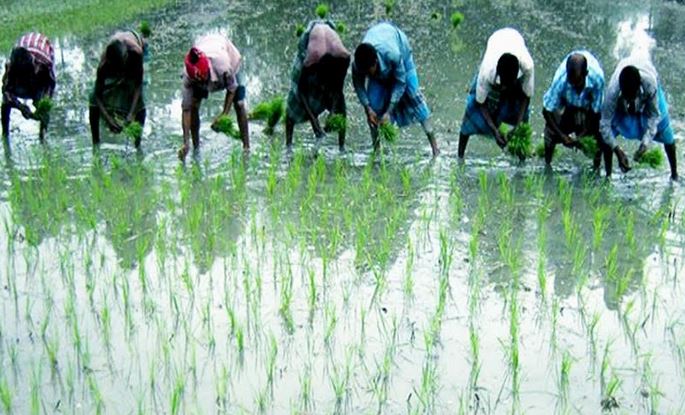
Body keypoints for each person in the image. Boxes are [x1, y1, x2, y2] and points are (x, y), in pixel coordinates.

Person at [352, 22, 439, 156]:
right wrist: (367, 108)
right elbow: (359, 86)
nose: (368, 76)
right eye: (365, 74)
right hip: (379, 44)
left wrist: (388, 111)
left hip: (402, 54)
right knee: (373, 107)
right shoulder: (358, 65)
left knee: (415, 97)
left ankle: (435, 148)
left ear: (375, 62)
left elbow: (400, 83)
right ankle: (376, 150)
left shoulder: (393, 54)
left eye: (369, 72)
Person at [458, 28, 534, 158]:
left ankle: (521, 159)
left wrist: (517, 125)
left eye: (510, 83)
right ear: (499, 74)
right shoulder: (487, 71)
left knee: (522, 125)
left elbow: (526, 97)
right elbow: (480, 102)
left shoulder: (527, 67)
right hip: (496, 41)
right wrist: (494, 130)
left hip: (515, 39)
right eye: (504, 83)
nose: (506, 87)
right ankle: (460, 156)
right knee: (471, 112)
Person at [600, 56, 678, 180]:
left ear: (638, 88)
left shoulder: (650, 85)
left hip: (647, 89)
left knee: (666, 132)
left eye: (632, 96)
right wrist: (617, 150)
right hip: (621, 97)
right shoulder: (613, 92)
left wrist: (644, 145)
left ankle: (674, 174)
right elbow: (604, 124)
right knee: (606, 138)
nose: (630, 100)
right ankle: (608, 175)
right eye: (627, 96)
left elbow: (654, 116)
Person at [178, 34, 249, 160]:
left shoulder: (223, 66)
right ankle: (195, 147)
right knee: (194, 106)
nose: (201, 82)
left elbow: (232, 89)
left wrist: (224, 114)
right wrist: (185, 142)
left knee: (239, 104)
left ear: (206, 70)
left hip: (228, 57)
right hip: (205, 46)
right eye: (197, 80)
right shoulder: (188, 77)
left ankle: (246, 147)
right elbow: (186, 109)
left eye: (203, 78)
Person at [286, 20, 350, 151]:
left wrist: (332, 113)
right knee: (292, 104)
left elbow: (338, 90)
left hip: (329, 47)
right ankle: (288, 146)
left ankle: (342, 148)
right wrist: (314, 120)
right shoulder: (310, 59)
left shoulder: (343, 59)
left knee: (341, 109)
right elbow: (301, 90)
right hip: (312, 46)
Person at [542, 51, 607, 171]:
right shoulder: (560, 81)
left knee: (598, 136)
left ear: (586, 74)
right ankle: (547, 166)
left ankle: (596, 169)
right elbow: (546, 110)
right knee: (550, 133)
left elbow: (596, 112)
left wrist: (582, 135)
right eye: (572, 83)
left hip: (587, 106)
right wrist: (562, 136)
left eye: (578, 83)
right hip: (567, 103)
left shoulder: (597, 79)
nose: (575, 87)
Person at [89, 30, 148, 147]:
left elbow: (138, 86)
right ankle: (95, 144)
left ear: (126, 56)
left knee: (141, 107)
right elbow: (97, 94)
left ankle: (138, 145)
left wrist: (131, 113)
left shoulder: (136, 53)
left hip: (132, 66)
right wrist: (108, 118)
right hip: (115, 69)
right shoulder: (104, 64)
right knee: (92, 103)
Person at [2, 32, 56, 142]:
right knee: (5, 103)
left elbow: (50, 87)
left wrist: (41, 106)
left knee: (43, 104)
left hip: (41, 64)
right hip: (23, 70)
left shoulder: (44, 65)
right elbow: (6, 91)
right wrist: (21, 107)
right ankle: (5, 134)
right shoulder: (12, 66)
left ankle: (43, 136)